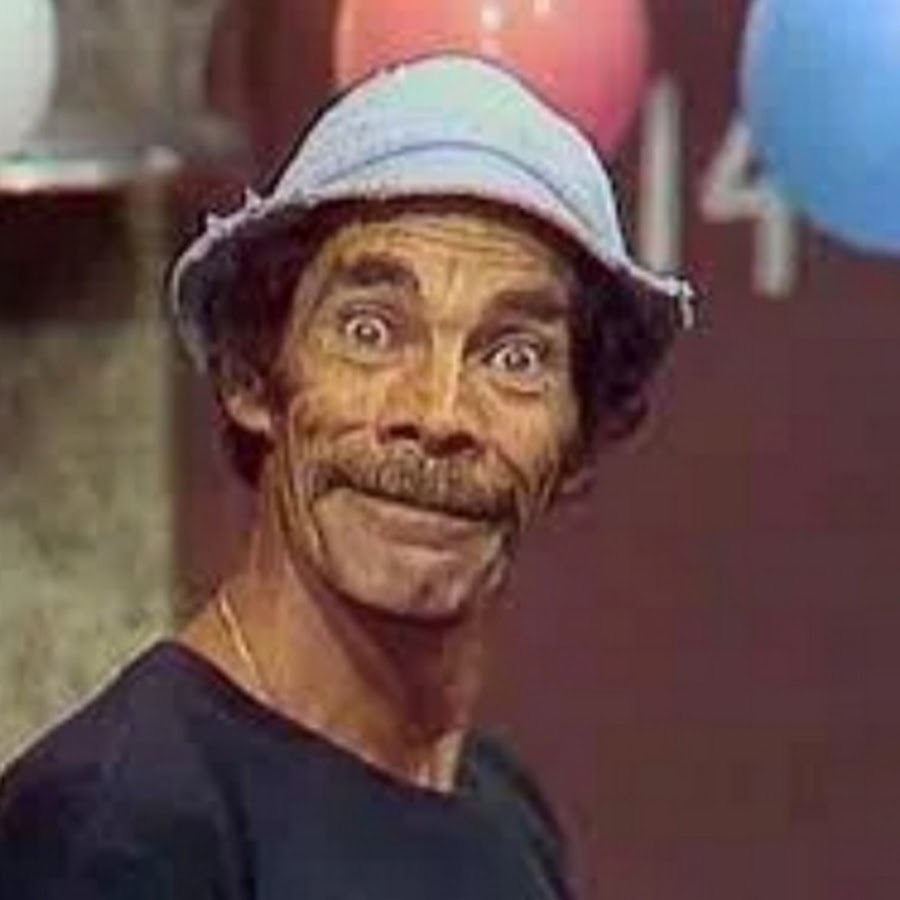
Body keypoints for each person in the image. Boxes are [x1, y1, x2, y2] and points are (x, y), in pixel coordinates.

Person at [0, 54, 693, 898]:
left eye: (514, 357)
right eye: (371, 331)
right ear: (252, 377)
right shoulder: (116, 827)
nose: (438, 413)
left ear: (581, 443)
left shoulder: (504, 810)